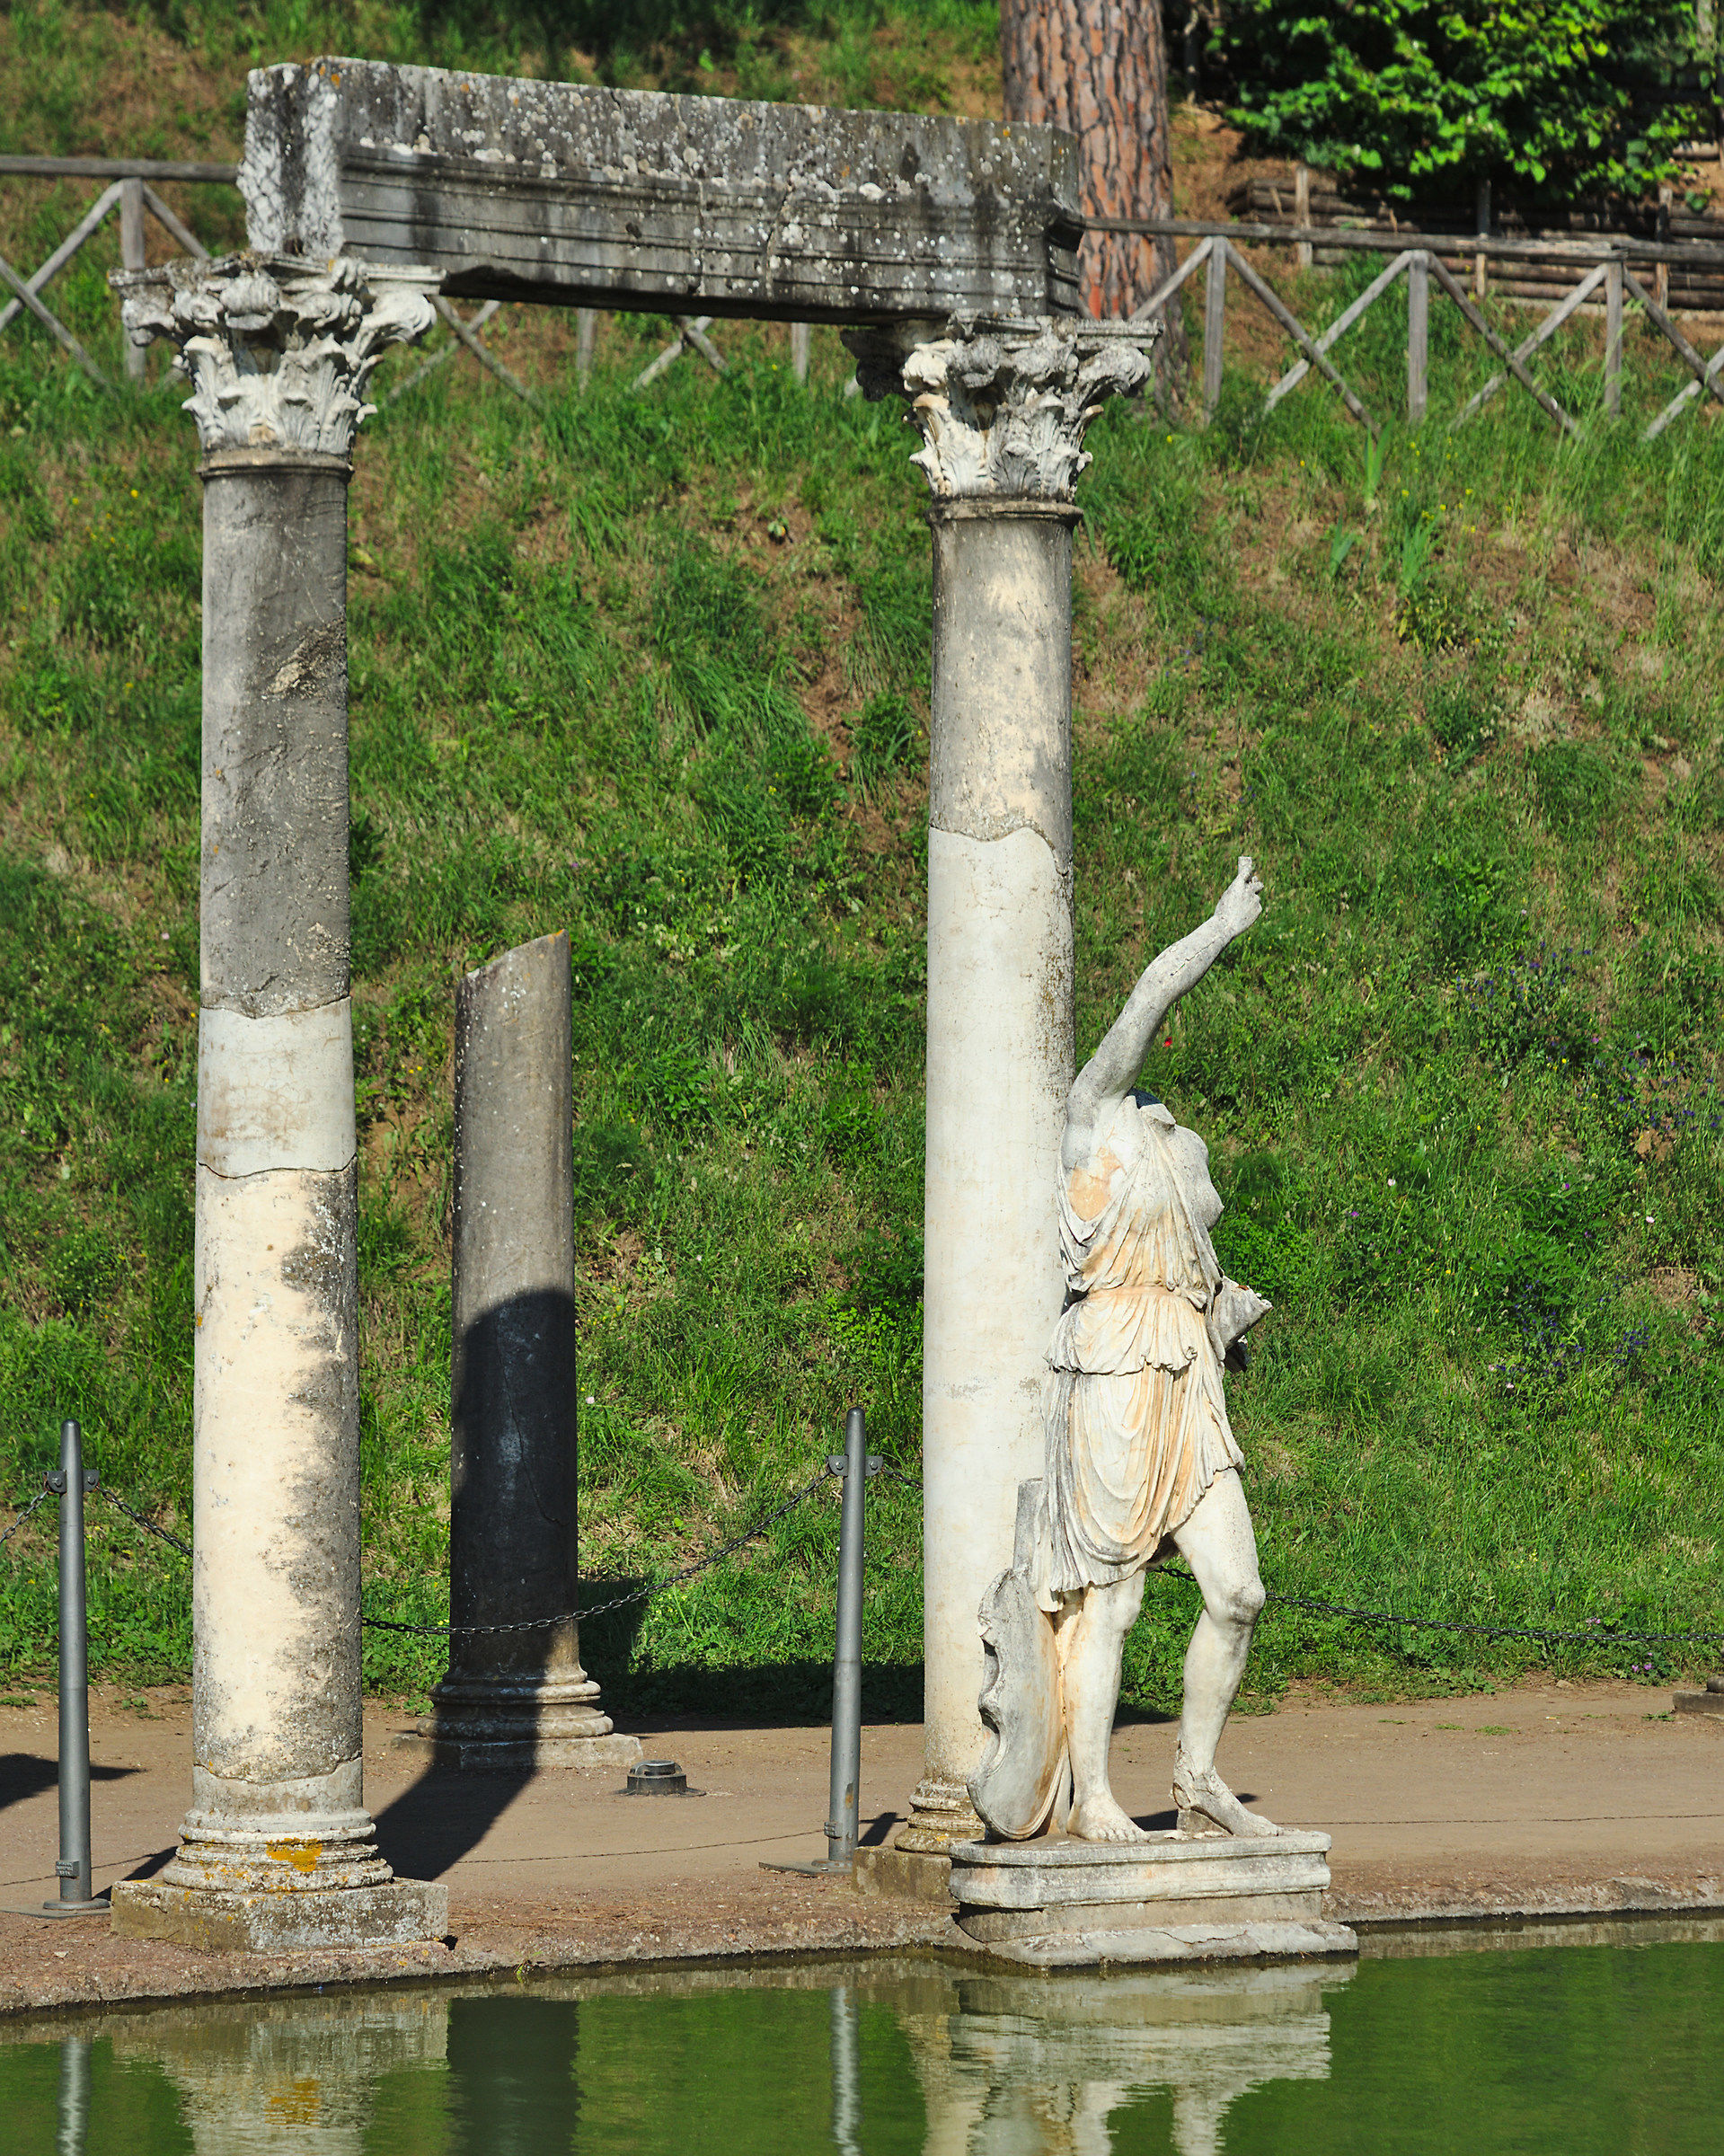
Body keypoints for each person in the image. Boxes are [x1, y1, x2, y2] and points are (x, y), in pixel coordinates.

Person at [1028, 855, 1278, 1840]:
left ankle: (1197, 1782)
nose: (1133, 1066)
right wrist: (1217, 929)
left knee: (1239, 1591)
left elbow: (1191, 1258)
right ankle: (1091, 1798)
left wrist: (1223, 1309)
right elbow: (1142, 1003)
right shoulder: (1085, 1119)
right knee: (1113, 1600)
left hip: (1186, 1372)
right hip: (1113, 1372)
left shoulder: (1177, 1142)